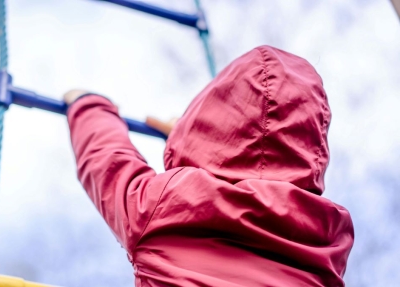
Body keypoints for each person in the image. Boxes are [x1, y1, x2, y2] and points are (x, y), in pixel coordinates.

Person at [63, 45, 354, 287]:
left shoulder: (164, 206)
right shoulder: (323, 243)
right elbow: (262, 153)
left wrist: (87, 104)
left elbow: (109, 160)